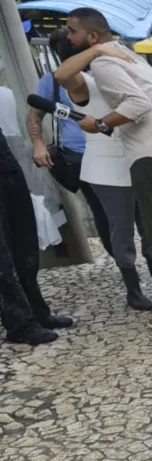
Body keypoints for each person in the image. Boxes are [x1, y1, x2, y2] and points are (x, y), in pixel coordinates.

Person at [63, 8, 152, 331]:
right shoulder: (132, 57)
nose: (68, 38)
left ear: (92, 36)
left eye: (72, 31)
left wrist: (99, 123)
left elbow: (137, 104)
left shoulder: (103, 62)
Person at [52, 37, 152, 310]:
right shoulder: (83, 83)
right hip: (106, 169)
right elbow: (63, 74)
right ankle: (133, 289)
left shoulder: (119, 74)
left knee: (150, 227)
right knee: (121, 230)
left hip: (137, 159)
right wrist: (99, 48)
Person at [26, 29, 111, 255]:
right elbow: (35, 114)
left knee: (125, 208)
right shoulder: (52, 80)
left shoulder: (102, 72)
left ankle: (137, 260)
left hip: (115, 149)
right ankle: (126, 266)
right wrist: (38, 144)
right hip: (80, 155)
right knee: (101, 209)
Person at [0, 122, 72, 345]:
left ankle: (37, 311)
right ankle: (20, 324)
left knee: (25, 245)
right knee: (2, 259)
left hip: (7, 166)